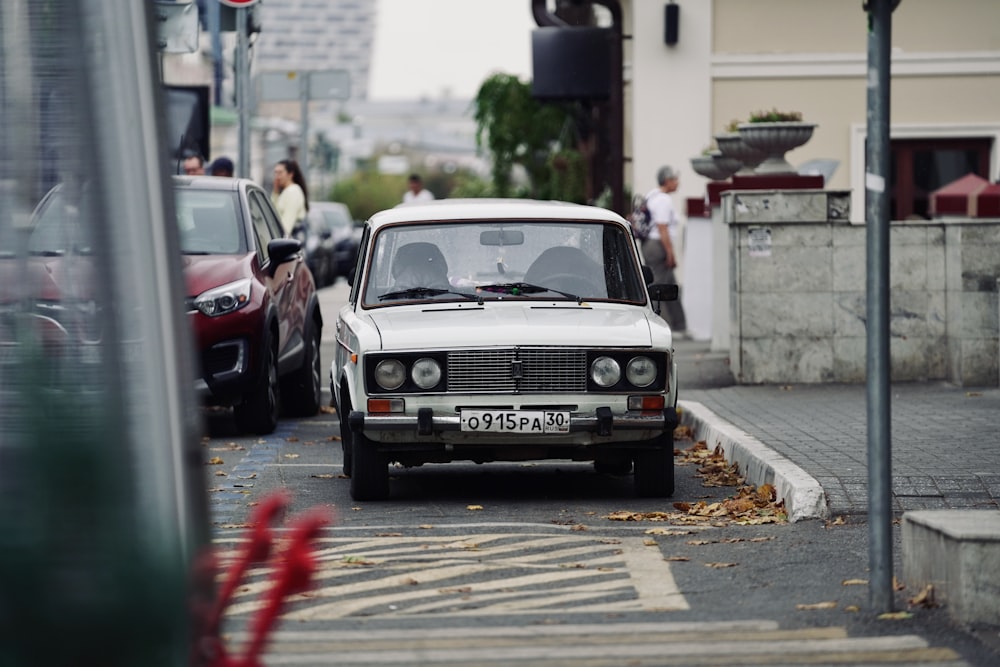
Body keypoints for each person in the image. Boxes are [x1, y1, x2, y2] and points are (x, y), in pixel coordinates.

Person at [640, 165, 688, 337]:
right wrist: (670, 253)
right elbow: (662, 227)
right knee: (658, 288)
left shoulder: (651, 195)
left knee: (669, 284)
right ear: (667, 181)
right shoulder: (664, 200)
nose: (678, 182)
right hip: (658, 246)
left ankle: (679, 325)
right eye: (675, 179)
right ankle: (656, 326)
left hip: (650, 245)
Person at [271, 159, 309, 237]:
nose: (277, 177)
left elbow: (286, 226)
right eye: (276, 173)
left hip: (289, 242)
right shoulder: (284, 192)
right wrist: (275, 192)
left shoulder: (293, 192)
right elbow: (272, 211)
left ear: (290, 174)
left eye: (280, 173)